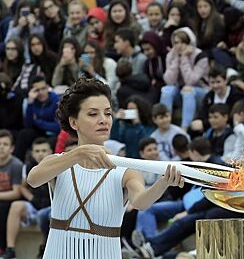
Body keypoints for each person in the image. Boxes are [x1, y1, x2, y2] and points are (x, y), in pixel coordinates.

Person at [26, 77, 184, 259]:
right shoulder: (58, 161)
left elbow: (141, 201)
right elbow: (33, 178)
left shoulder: (126, 169)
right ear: (74, 122)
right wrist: (78, 154)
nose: (103, 120)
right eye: (93, 114)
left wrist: (163, 182)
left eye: (108, 113)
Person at [1, 138, 52, 259]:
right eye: (37, 151)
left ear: (50, 152)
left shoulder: (56, 164)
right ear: (33, 153)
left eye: (44, 150)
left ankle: (46, 247)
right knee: (16, 205)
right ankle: (10, 249)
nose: (40, 153)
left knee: (48, 215)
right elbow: (22, 187)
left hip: (52, 207)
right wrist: (32, 198)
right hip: (35, 206)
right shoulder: (27, 167)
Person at [160, 27, 209, 130]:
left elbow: (190, 81)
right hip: (180, 90)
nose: (179, 46)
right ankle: (164, 123)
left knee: (188, 90)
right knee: (166, 90)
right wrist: (177, 59)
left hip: (201, 91)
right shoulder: (171, 55)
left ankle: (184, 128)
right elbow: (169, 81)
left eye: (183, 42)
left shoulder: (200, 56)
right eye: (176, 43)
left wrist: (184, 58)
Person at [16, 75, 60, 161]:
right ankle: (19, 165)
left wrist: (38, 122)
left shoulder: (56, 100)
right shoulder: (32, 102)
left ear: (47, 88)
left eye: (43, 89)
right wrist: (30, 103)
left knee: (51, 142)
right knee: (23, 134)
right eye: (37, 90)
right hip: (39, 132)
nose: (41, 92)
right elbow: (28, 125)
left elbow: (58, 127)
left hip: (53, 134)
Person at [191, 65, 244, 133]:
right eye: (212, 82)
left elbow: (236, 116)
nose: (215, 86)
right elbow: (203, 114)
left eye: (218, 82)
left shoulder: (236, 95)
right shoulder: (209, 97)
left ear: (226, 81)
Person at [0, 130, 23, 254]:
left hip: (10, 201)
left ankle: (3, 247)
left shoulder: (16, 165)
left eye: (5, 144)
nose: (1, 147)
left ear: (12, 148)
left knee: (3, 208)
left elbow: (16, 192)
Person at [140, 31, 166, 103]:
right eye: (144, 50)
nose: (146, 53)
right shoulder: (147, 62)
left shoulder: (166, 58)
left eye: (148, 49)